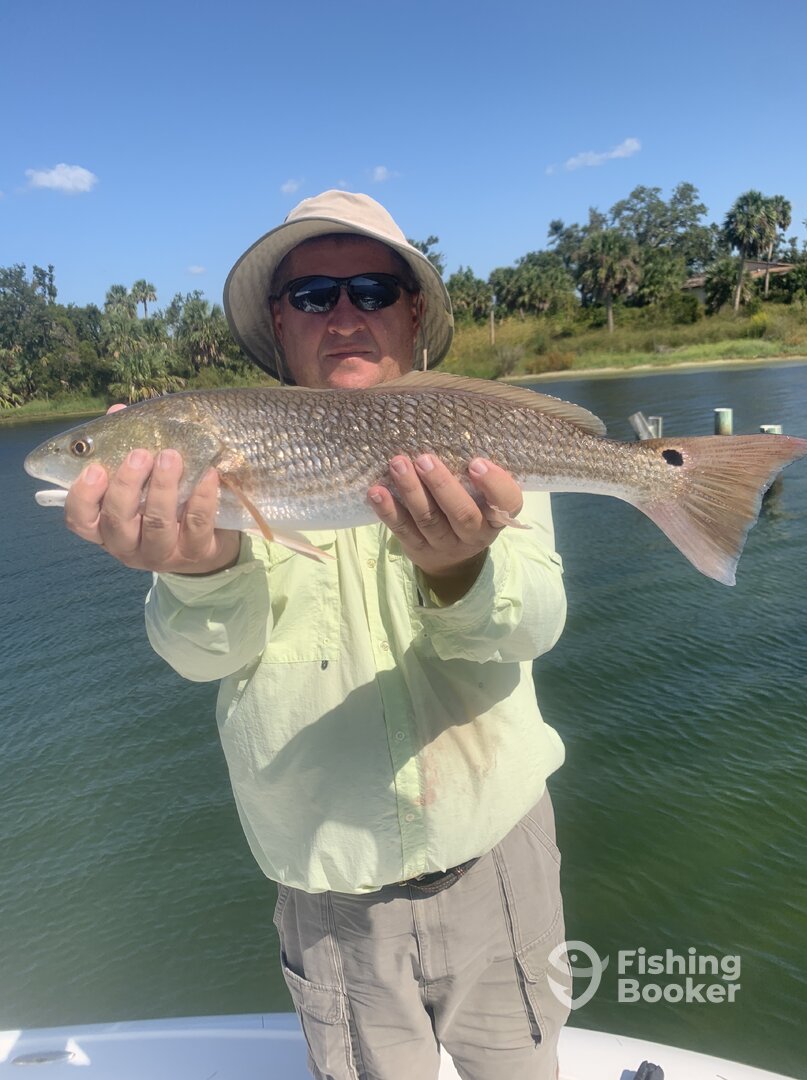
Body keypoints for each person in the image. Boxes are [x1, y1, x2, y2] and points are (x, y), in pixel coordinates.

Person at [64, 190, 572, 1080]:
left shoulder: (472, 434)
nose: (344, 315)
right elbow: (203, 656)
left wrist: (459, 570)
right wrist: (198, 568)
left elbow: (536, 623)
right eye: (312, 295)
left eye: (372, 290)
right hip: (329, 896)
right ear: (279, 319)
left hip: (501, 861)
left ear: (412, 312)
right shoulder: (214, 457)